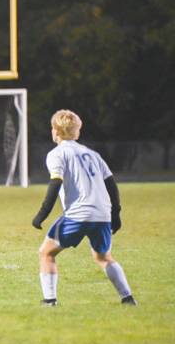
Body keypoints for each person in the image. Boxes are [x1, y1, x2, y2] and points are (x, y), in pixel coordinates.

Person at [32, 109, 136, 306]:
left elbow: (55, 183)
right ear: (76, 132)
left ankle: (49, 300)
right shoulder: (92, 154)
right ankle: (128, 298)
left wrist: (41, 214)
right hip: (102, 213)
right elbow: (111, 184)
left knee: (46, 252)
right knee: (103, 257)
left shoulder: (57, 154)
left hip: (78, 214)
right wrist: (116, 214)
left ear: (55, 130)